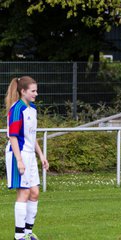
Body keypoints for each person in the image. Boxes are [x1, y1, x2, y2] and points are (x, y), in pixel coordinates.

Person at [5, 76, 49, 240]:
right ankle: (19, 235)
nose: (36, 94)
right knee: (23, 193)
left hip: (30, 155)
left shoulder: (33, 108)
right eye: (33, 91)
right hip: (19, 154)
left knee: (35, 193)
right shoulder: (16, 109)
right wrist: (19, 160)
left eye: (36, 90)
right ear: (23, 91)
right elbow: (13, 137)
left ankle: (28, 232)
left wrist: (41, 155)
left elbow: (32, 136)